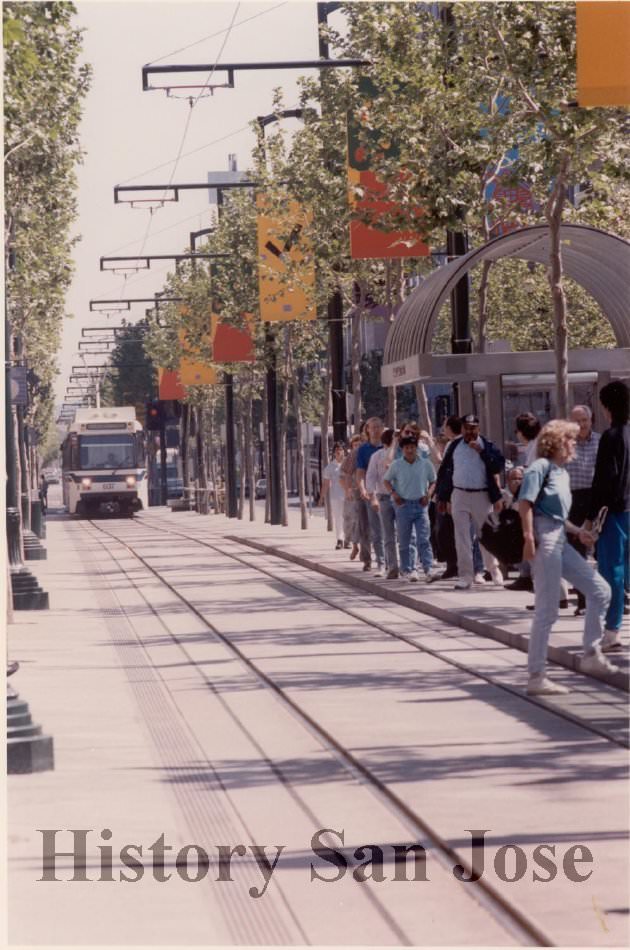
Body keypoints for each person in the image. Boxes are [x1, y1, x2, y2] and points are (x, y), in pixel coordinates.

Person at [519, 419, 617, 696]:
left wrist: (578, 532)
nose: (575, 443)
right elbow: (525, 504)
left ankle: (590, 652)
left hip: (560, 536)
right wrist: (528, 539)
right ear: (558, 442)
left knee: (600, 590)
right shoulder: (540, 467)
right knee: (547, 610)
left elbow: (557, 516)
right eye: (571, 439)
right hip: (544, 539)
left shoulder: (562, 472)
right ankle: (536, 676)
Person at [436, 414, 505, 589]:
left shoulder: (486, 445)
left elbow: (498, 466)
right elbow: (445, 471)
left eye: (473, 428)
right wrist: (443, 497)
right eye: (467, 428)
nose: (470, 431)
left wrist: (481, 452)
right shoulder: (454, 446)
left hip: (481, 495)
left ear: (478, 429)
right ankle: (466, 575)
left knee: (486, 534)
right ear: (462, 429)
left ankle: (493, 569)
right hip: (459, 494)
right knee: (462, 537)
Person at [585, 380, 629, 653]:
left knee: (612, 571)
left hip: (614, 513)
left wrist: (590, 518)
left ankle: (612, 630)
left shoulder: (610, 437)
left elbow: (603, 481)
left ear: (606, 407)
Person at [384, 435, 436, 582]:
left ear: (417, 448)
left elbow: (433, 481)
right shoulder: (396, 464)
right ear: (403, 449)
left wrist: (429, 494)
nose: (410, 450)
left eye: (412, 447)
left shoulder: (425, 464)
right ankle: (409, 570)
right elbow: (386, 480)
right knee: (405, 540)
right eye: (407, 448)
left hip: (421, 505)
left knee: (424, 538)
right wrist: (393, 494)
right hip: (403, 505)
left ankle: (428, 568)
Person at [565, 405, 601, 615]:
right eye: (576, 421)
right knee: (577, 552)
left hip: (596, 498)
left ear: (591, 420)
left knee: (603, 548)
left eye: (584, 420)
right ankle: (583, 600)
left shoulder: (601, 441)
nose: (581, 425)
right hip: (573, 499)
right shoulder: (566, 444)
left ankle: (615, 596)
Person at [366, 428, 398, 579]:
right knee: (387, 535)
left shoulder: (403, 454)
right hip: (384, 498)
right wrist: (373, 497)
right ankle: (389, 566)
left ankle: (408, 566)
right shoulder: (377, 456)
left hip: (401, 498)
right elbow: (371, 477)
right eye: (395, 438)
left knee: (407, 535)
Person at [356, 417, 385, 573]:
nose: (374, 430)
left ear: (382, 428)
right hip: (370, 492)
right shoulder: (363, 449)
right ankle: (371, 560)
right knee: (369, 528)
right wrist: (362, 490)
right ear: (367, 430)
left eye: (377, 427)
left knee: (385, 529)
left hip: (386, 492)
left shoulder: (388, 447)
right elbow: (360, 472)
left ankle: (387, 560)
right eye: (371, 427)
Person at [340, 434, 365, 561]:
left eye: (359, 444)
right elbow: (341, 477)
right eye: (355, 445)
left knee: (362, 522)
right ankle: (354, 545)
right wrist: (347, 490)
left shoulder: (366, 455)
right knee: (352, 521)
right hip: (352, 493)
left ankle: (362, 549)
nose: (357, 447)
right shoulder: (349, 458)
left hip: (364, 493)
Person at [322, 443, 346, 550]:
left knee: (349, 518)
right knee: (338, 518)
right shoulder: (330, 467)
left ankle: (348, 539)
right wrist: (321, 497)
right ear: (334, 452)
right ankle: (340, 540)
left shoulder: (348, 463)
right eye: (336, 449)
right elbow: (326, 484)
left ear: (344, 451)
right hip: (335, 497)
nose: (338, 451)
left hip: (348, 496)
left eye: (340, 449)